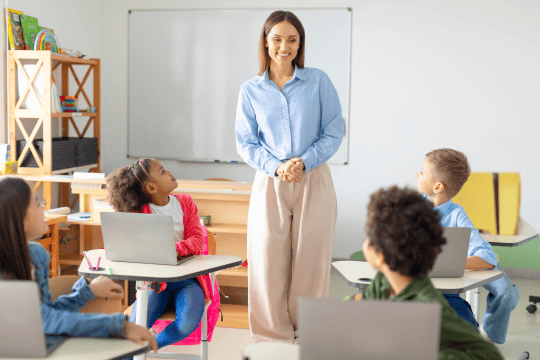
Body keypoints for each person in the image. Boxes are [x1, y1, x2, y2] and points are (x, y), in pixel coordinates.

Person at [235, 10, 344, 343]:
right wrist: (278, 167)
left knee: (312, 259)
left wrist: (303, 162)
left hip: (313, 178)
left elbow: (334, 130)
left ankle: (307, 333)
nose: (285, 46)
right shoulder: (251, 90)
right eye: (277, 39)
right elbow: (245, 142)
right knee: (267, 259)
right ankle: (271, 336)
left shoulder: (318, 81)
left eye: (292, 39)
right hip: (270, 180)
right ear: (266, 43)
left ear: (300, 43)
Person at [0, 176, 157, 351]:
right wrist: (118, 325)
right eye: (37, 203)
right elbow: (43, 320)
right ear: (21, 220)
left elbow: (48, 315)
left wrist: (86, 292)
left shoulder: (37, 257)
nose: (43, 207)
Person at [355, 186, 503, 360]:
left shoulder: (427, 308)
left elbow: (490, 355)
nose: (365, 241)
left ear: (380, 255)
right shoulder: (384, 281)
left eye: (368, 236)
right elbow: (362, 314)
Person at [416, 148, 520, 344]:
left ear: (438, 187)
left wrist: (452, 263)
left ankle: (491, 334)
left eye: (421, 172)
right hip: (420, 275)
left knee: (506, 293)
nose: (416, 175)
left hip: (463, 264)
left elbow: (486, 257)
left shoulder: (457, 214)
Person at [107, 158, 213, 349]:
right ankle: (128, 355)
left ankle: (149, 346)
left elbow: (197, 240)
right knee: (135, 326)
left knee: (187, 324)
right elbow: (134, 245)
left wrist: (174, 249)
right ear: (152, 188)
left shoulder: (185, 202)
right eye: (163, 171)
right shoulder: (140, 211)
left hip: (187, 279)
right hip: (155, 282)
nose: (170, 172)